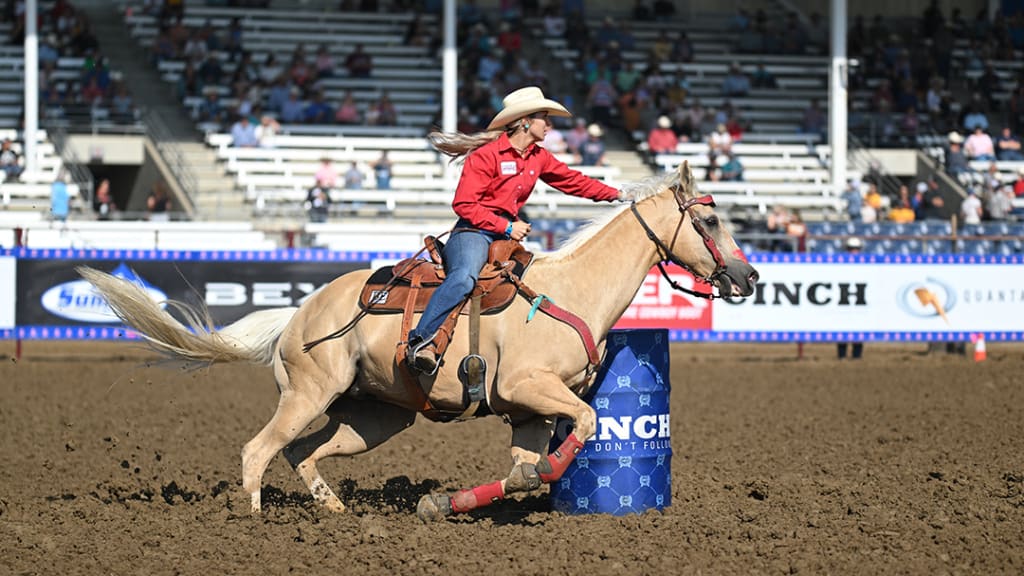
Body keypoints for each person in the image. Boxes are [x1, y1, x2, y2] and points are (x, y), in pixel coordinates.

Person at [405, 86, 626, 374]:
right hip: (473, 232)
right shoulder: (486, 156)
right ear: (524, 121)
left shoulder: (539, 157)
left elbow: (574, 181)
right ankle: (420, 340)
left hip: (504, 236)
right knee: (463, 278)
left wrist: (618, 194)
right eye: (544, 118)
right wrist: (506, 226)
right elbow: (464, 204)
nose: (549, 125)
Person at [837, 237, 864, 359]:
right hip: (844, 298)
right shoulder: (841, 264)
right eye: (851, 249)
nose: (854, 251)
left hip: (859, 299)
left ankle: (857, 354)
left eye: (856, 249)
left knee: (858, 327)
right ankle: (842, 354)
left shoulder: (864, 265)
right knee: (842, 328)